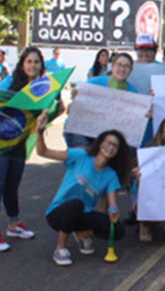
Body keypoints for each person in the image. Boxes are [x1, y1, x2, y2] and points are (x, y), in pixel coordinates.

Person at [35, 112, 129, 266]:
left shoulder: (111, 175)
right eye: (108, 142)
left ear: (118, 152)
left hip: (83, 215)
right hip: (58, 213)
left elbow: (112, 204)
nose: (110, 147)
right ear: (100, 143)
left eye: (115, 146)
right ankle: (60, 248)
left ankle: (82, 233)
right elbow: (43, 152)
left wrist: (113, 212)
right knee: (76, 204)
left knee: (118, 230)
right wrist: (39, 132)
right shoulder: (80, 156)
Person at [0, 46, 47, 252]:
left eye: (36, 62)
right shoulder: (10, 82)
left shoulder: (43, 87)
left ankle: (14, 224)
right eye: (29, 61)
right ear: (22, 64)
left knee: (12, 184)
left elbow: (51, 110)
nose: (32, 65)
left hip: (18, 142)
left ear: (41, 65)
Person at [66, 53, 138, 148]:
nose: (122, 69)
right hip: (83, 133)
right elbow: (69, 111)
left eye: (126, 66)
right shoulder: (93, 83)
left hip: (109, 138)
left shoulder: (134, 92)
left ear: (131, 70)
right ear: (112, 66)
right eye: (119, 65)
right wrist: (76, 100)